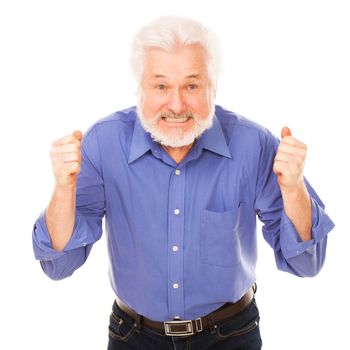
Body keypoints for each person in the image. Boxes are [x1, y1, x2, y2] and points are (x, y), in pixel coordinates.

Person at [32, 16, 335, 350]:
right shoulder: (103, 144)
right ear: (140, 88)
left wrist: (294, 188)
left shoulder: (253, 144)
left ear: (213, 88)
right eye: (161, 86)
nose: (176, 105)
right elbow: (58, 265)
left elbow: (307, 263)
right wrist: (63, 187)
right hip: (133, 337)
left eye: (191, 86)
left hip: (230, 335)